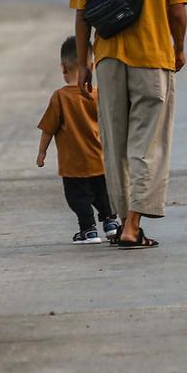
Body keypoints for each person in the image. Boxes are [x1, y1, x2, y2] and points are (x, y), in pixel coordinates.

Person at [70, 0, 187, 249]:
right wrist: (179, 46)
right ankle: (132, 224)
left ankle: (125, 220)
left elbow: (82, 12)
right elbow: (177, 10)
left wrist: (82, 63)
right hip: (153, 57)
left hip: (107, 58)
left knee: (115, 142)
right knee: (147, 143)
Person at [37, 37, 119, 244]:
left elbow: (48, 129)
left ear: (64, 68)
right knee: (103, 194)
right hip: (99, 159)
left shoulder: (59, 97)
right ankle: (111, 223)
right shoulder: (98, 94)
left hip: (73, 165)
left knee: (78, 198)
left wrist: (42, 152)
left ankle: (88, 230)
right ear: (91, 66)